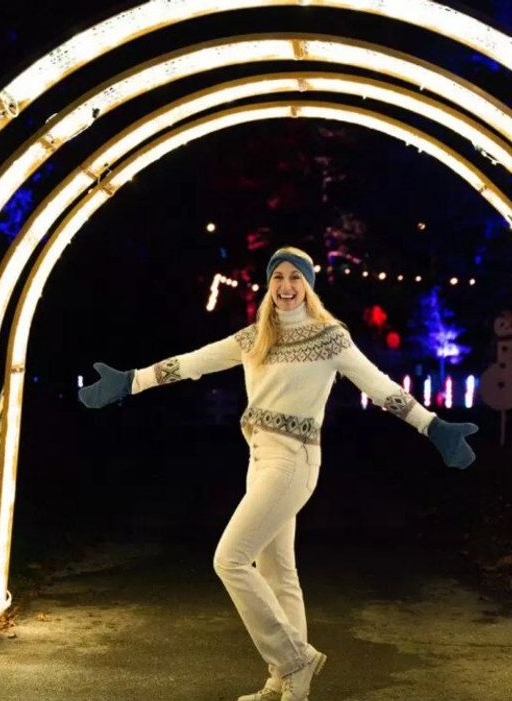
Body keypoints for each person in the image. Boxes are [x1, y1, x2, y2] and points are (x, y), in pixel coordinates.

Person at [78, 247, 478, 701]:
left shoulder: (331, 338)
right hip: (260, 457)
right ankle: (287, 684)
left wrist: (433, 426)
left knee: (229, 559)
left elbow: (381, 386)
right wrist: (132, 380)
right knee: (277, 571)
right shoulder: (255, 338)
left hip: (294, 461)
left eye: (296, 278)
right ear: (268, 286)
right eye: (278, 278)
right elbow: (193, 362)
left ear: (308, 284)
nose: (286, 286)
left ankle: (294, 657)